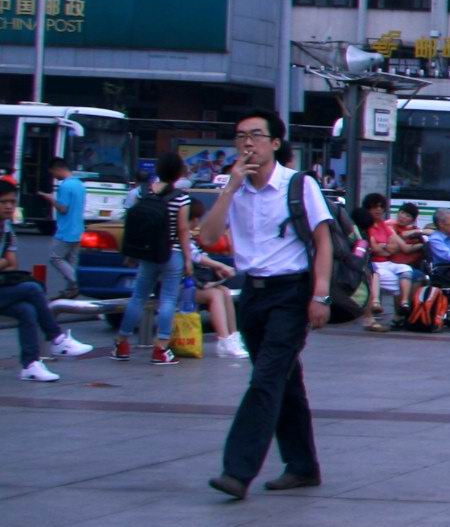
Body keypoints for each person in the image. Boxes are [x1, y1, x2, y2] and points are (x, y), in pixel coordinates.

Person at [193, 109, 332, 500]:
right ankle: (302, 466)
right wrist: (229, 188)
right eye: (240, 137)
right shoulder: (234, 187)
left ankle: (237, 471)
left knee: (266, 380)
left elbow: (323, 241)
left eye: (255, 135)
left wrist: (320, 294)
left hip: (291, 293)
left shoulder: (299, 184)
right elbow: (208, 238)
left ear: (274, 143)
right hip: (252, 294)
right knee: (284, 381)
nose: (247, 143)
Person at [0, 179, 93, 381]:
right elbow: (8, 262)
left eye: (12, 202)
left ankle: (30, 365)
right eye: (3, 202)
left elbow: (12, 264)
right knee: (32, 288)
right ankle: (57, 339)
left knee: (27, 310)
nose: (8, 206)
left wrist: (4, 262)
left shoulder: (7, 229)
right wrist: (5, 262)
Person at [117, 154, 196, 361]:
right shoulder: (181, 197)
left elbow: (133, 224)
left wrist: (131, 252)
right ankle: (161, 348)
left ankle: (121, 343)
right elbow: (183, 230)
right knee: (168, 299)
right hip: (172, 253)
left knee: (138, 297)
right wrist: (188, 259)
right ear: (178, 173)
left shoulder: (142, 192)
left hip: (146, 252)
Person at [363, 193, 423, 327]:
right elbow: (375, 248)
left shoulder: (384, 226)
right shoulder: (378, 225)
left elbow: (394, 248)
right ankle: (375, 311)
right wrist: (384, 247)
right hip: (373, 264)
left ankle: (403, 307)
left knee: (410, 274)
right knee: (381, 277)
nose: (379, 209)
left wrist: (383, 247)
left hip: (390, 263)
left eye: (381, 207)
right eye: (375, 207)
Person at [46, 155, 90, 300]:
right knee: (72, 261)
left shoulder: (65, 186)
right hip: (79, 228)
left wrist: (51, 199)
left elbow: (63, 208)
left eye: (53, 173)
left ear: (57, 169)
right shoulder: (79, 184)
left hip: (66, 230)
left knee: (55, 257)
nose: (54, 176)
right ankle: (70, 290)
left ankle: (75, 283)